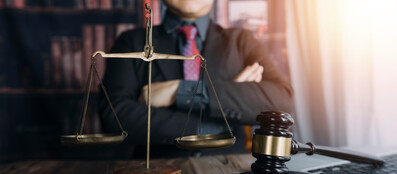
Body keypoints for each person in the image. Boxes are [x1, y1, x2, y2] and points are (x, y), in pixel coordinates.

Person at [99, 0, 294, 158]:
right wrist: (214, 123)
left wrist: (181, 92)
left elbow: (282, 102)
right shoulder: (131, 42)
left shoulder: (242, 41)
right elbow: (114, 117)